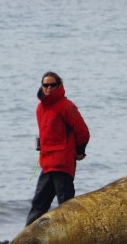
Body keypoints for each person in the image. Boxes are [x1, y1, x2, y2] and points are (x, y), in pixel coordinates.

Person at [26, 71, 90, 225]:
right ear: (41, 86)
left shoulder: (67, 106)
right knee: (38, 205)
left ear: (59, 85)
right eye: (45, 85)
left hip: (62, 162)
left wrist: (80, 151)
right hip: (47, 163)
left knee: (66, 205)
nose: (49, 88)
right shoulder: (40, 108)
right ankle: (25, 241)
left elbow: (83, 132)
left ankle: (74, 238)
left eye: (52, 85)